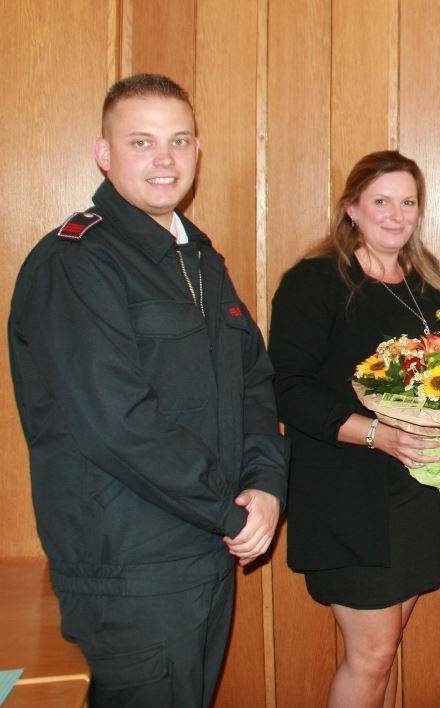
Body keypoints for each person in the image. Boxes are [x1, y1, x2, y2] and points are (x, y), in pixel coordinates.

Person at [7, 73, 287, 706]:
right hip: (130, 571)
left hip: (208, 554)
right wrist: (230, 512)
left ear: (197, 151)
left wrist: (266, 486)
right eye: (141, 142)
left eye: (180, 140)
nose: (165, 160)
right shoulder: (75, 262)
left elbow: (253, 386)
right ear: (103, 154)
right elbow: (117, 424)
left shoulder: (200, 259)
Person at [268, 150, 440, 708]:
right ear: (351, 209)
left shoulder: (426, 289)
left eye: (407, 202)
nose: (395, 214)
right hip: (345, 497)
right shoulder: (315, 283)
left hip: (414, 494)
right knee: (371, 657)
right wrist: (376, 434)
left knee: (384, 654)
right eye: (380, 201)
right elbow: (289, 389)